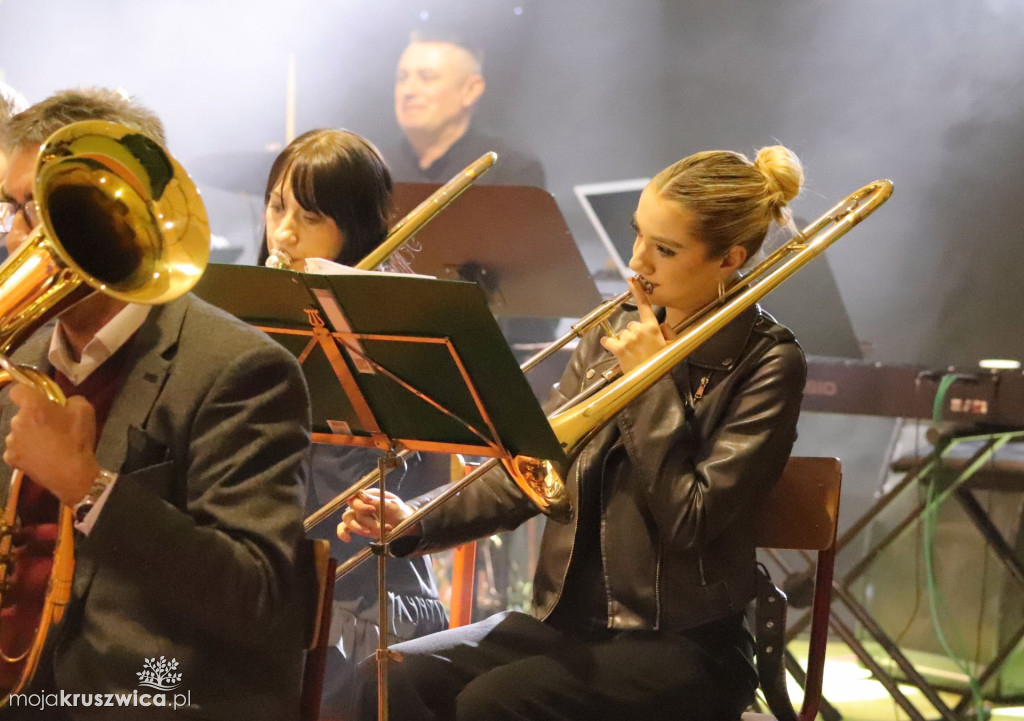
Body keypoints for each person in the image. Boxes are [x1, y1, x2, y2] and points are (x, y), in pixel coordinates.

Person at [339, 145, 809, 720]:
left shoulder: (768, 361)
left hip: (685, 644)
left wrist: (650, 385)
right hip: (566, 624)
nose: (639, 262)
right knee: (386, 679)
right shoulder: (613, 329)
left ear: (729, 258)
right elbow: (533, 473)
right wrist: (414, 519)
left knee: (492, 704)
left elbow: (692, 519)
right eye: (638, 235)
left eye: (665, 249)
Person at [0, 88, 311, 720]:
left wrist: (88, 488)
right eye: (7, 206)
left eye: (35, 207)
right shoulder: (24, 351)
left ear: (117, 215)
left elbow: (259, 595)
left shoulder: (241, 369)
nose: (12, 234)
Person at [259, 128, 449, 716]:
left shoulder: (391, 335)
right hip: (264, 581)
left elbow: (345, 501)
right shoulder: (245, 315)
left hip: (359, 598)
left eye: (309, 217)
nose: (284, 232)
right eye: (276, 208)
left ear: (354, 229)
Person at [383, 31, 545, 187]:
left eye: (427, 78)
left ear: (471, 90)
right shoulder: (375, 169)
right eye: (402, 78)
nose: (408, 90)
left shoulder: (510, 170)